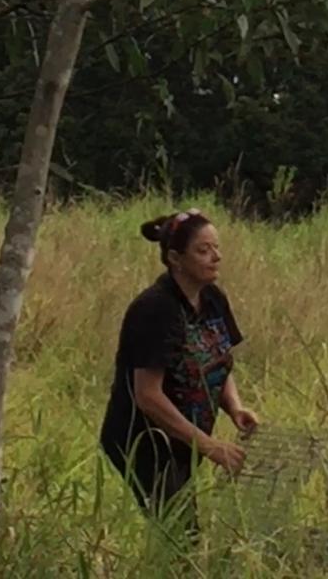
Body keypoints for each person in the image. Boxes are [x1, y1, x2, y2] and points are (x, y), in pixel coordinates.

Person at [100, 207, 258, 525]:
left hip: (185, 437)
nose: (216, 257)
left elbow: (218, 359)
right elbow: (147, 395)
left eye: (216, 247)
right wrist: (211, 445)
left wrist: (235, 408)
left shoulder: (212, 298)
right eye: (203, 250)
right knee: (180, 534)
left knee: (180, 528)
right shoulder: (154, 310)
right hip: (143, 440)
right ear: (176, 258)